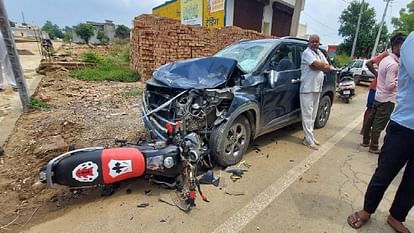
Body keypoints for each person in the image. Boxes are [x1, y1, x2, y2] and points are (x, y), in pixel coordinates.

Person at [347, 31, 414, 233]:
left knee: (413, 181)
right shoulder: (412, 41)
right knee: (384, 173)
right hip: (404, 125)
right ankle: (367, 210)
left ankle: (396, 216)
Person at [361, 35, 405, 154]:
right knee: (378, 124)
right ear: (397, 46)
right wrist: (401, 81)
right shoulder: (393, 64)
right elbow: (390, 84)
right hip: (387, 98)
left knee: (371, 119)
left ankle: (366, 140)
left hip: (379, 95)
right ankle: (374, 146)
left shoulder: (386, 59)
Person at [300, 34, 333, 150]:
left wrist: (321, 66)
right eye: (312, 41)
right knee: (307, 115)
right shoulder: (306, 53)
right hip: (307, 88)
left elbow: (327, 67)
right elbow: (315, 65)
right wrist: (321, 66)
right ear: (309, 42)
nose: (315, 43)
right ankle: (308, 141)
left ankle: (309, 137)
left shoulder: (319, 53)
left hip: (317, 88)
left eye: (317, 42)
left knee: (313, 114)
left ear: (319, 43)